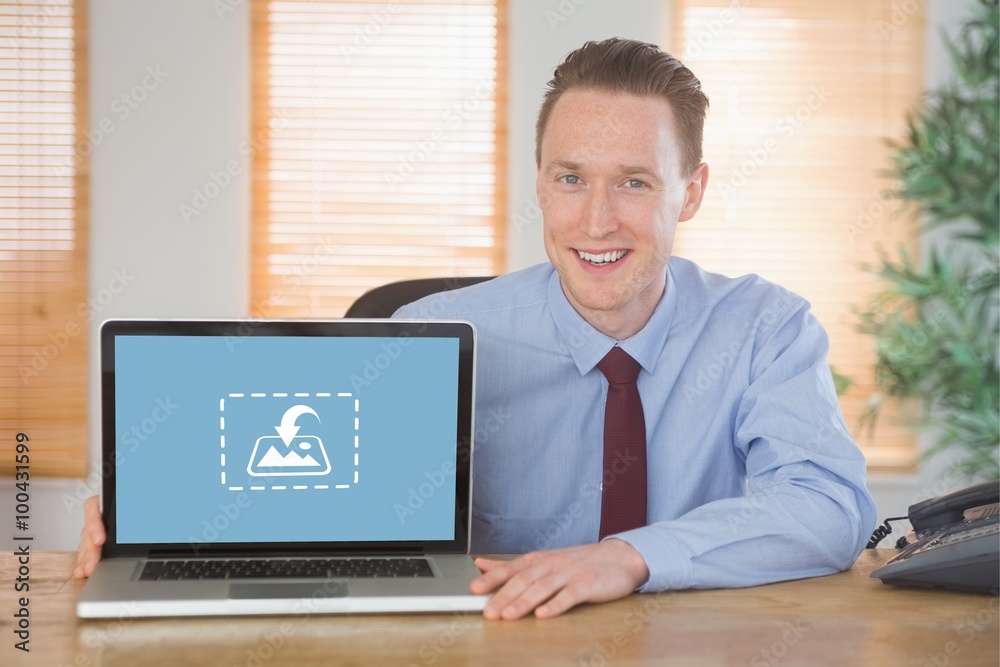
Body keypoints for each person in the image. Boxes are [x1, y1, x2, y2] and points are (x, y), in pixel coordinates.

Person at [76, 38, 876, 621]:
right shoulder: (429, 334)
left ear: (691, 191)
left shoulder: (766, 328)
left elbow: (829, 506)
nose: (597, 220)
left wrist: (630, 555)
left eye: (634, 182)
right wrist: (155, 514)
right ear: (539, 181)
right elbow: (311, 501)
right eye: (570, 179)